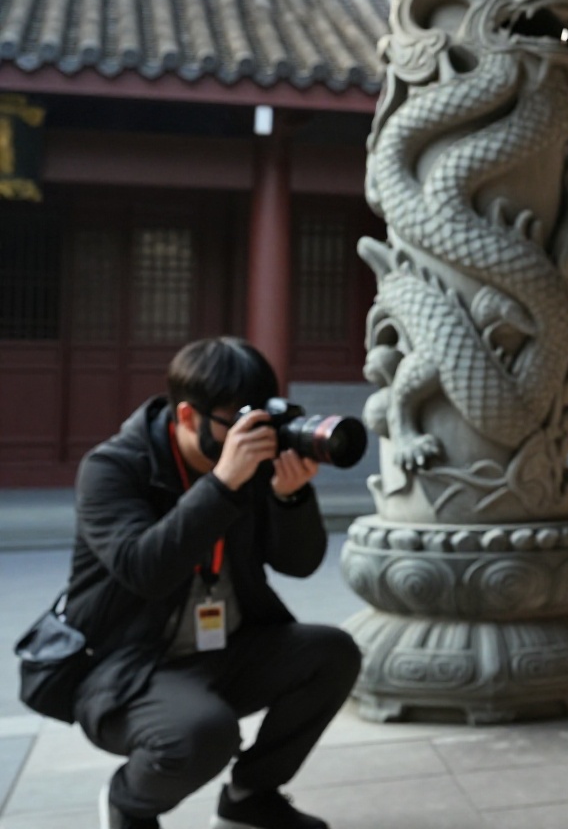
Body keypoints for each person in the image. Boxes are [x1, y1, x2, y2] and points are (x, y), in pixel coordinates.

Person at [66, 337, 361, 829]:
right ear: (187, 417)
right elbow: (145, 570)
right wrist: (222, 484)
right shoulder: (112, 469)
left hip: (225, 647)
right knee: (203, 732)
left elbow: (299, 564)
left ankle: (250, 799)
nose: (252, 435)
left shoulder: (252, 462)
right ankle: (129, 803)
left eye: (259, 418)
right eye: (236, 421)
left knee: (332, 653)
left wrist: (290, 498)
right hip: (129, 666)